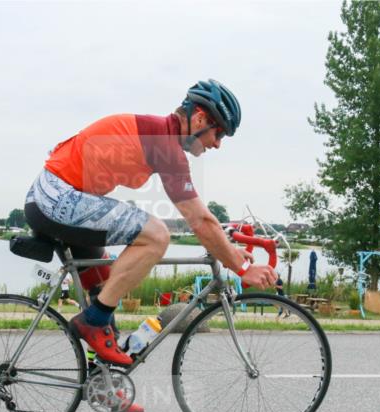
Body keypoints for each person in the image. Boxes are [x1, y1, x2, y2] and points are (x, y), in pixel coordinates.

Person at [24, 79, 276, 372]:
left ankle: (102, 378)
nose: (217, 144)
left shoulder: (159, 136)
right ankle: (92, 323)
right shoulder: (163, 144)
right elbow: (199, 219)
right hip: (56, 198)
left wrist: (227, 249)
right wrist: (241, 268)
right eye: (218, 133)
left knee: (108, 283)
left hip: (52, 197)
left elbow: (203, 219)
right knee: (156, 235)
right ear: (199, 119)